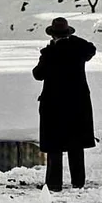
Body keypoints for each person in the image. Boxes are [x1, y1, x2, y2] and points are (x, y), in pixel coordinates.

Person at [32, 16, 97, 190]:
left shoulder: (49, 53)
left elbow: (38, 74)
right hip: (77, 104)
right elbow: (91, 48)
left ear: (53, 35)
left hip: (54, 104)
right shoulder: (78, 50)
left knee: (55, 146)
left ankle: (54, 183)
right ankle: (78, 181)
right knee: (75, 145)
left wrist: (51, 49)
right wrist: (72, 39)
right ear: (68, 33)